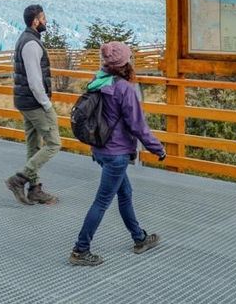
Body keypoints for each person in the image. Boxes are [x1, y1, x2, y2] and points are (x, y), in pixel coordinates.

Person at [69, 41, 166, 266]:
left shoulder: (98, 80)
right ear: (125, 62)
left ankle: (139, 238)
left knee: (125, 193)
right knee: (102, 201)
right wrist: (157, 148)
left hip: (100, 150)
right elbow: (138, 126)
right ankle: (80, 250)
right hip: (116, 154)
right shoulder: (124, 89)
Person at [5, 4, 60, 205]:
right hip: (34, 103)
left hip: (25, 101)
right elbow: (35, 81)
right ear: (35, 21)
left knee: (34, 144)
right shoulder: (31, 44)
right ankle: (18, 180)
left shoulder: (26, 39)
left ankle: (35, 189)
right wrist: (47, 105)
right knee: (54, 143)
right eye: (43, 17)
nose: (46, 21)